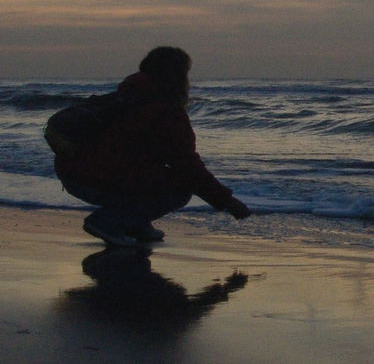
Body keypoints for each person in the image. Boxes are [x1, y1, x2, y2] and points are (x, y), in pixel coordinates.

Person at [54, 47, 251, 246]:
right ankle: (109, 221)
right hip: (94, 179)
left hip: (72, 173)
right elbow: (188, 167)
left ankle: (135, 223)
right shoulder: (165, 112)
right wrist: (227, 201)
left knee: (150, 173)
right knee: (179, 190)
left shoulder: (125, 96)